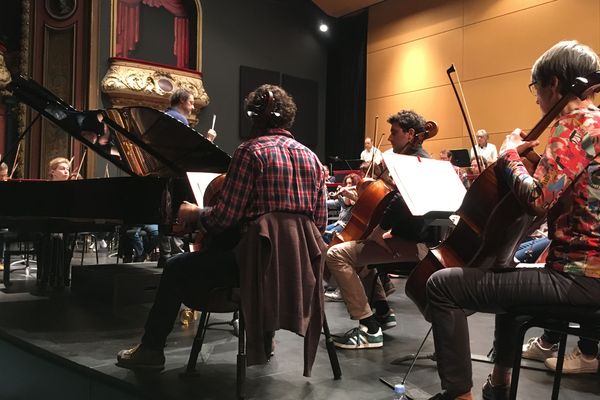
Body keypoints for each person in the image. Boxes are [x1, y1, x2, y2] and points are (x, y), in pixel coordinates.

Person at [425, 40, 600, 400]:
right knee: (507, 279)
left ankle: (459, 395)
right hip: (587, 276)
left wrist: (508, 157)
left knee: (442, 285)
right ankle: (499, 387)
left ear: (553, 84)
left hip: (580, 279)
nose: (536, 99)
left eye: (537, 89)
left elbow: (538, 199)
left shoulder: (574, 125)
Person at [116, 83, 327, 370]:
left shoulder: (250, 153)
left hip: (251, 270)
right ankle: (265, 340)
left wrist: (194, 213)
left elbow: (223, 219)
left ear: (254, 117)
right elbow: (319, 224)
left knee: (177, 267)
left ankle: (151, 350)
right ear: (288, 117)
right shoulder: (312, 159)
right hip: (297, 273)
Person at [328, 110, 431, 350]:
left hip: (413, 244)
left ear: (410, 134)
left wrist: (381, 229)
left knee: (336, 255)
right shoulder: (424, 160)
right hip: (418, 239)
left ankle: (369, 328)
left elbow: (400, 201)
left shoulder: (411, 162)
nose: (391, 139)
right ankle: (383, 311)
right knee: (362, 259)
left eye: (395, 133)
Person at [323, 173, 362, 244]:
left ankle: (333, 248)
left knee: (329, 235)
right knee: (322, 232)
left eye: (350, 183)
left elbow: (352, 202)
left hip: (348, 225)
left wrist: (348, 193)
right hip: (339, 223)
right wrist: (322, 202)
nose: (348, 185)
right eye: (347, 183)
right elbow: (335, 203)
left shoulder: (357, 196)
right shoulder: (346, 195)